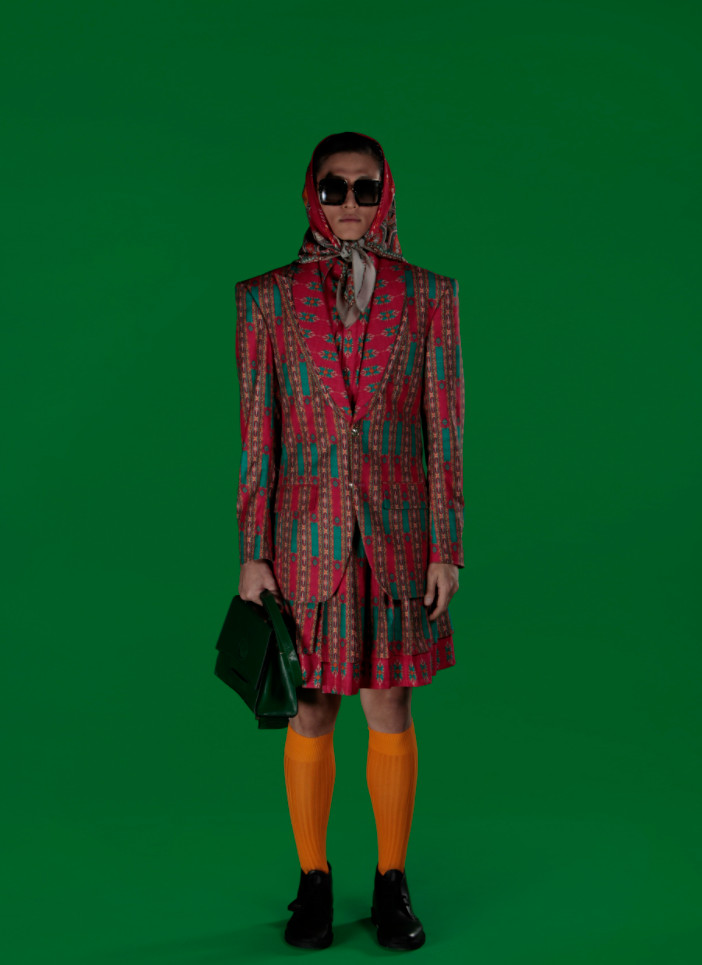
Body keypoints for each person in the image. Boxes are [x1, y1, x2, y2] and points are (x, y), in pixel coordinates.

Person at [235, 131, 465, 950]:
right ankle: (314, 881)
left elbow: (446, 430)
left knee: (390, 702)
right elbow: (257, 434)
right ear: (312, 193)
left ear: (386, 193)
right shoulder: (265, 299)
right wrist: (252, 550)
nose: (351, 205)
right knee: (310, 707)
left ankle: (392, 882)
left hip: (399, 537)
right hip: (303, 537)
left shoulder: (431, 295)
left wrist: (447, 545)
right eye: (334, 189)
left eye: (366, 188)